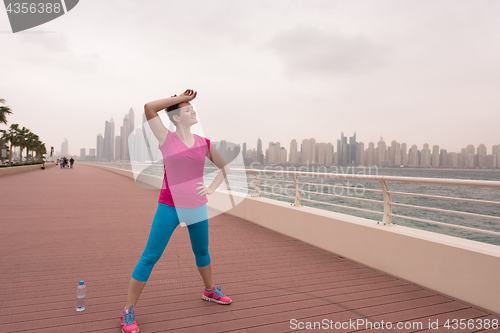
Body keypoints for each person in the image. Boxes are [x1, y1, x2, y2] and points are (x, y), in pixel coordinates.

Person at [120, 89, 232, 333]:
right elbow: (149, 107)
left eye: (193, 109)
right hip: (169, 206)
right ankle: (128, 311)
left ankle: (209, 290)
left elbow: (224, 167)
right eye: (188, 110)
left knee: (202, 253)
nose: (193, 111)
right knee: (150, 256)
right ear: (177, 117)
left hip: (196, 208)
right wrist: (181, 98)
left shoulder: (205, 144)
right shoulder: (166, 139)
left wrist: (210, 189)